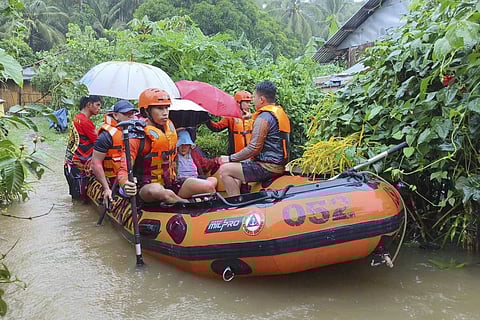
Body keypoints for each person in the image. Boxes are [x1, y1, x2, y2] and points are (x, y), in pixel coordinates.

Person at [119, 88, 216, 203]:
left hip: (171, 183)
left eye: (166, 107)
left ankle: (183, 202)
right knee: (158, 191)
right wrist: (125, 183)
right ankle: (186, 204)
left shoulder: (169, 129)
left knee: (208, 186)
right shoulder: (137, 137)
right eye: (160, 108)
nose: (165, 112)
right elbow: (123, 169)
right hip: (146, 188)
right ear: (146, 112)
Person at [218, 81, 291, 196]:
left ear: (262, 99)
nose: (252, 101)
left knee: (224, 170)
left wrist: (230, 158)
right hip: (277, 164)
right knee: (240, 163)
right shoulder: (278, 112)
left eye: (254, 97)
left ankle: (237, 205)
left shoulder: (263, 118)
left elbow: (253, 148)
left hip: (267, 167)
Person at [91, 100, 137, 205]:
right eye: (126, 113)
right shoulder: (106, 136)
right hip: (113, 180)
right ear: (115, 115)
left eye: (132, 113)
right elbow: (96, 163)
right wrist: (106, 188)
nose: (130, 116)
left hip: (129, 177)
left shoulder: (136, 132)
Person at [64, 95, 102, 199]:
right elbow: (99, 142)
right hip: (79, 164)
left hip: (70, 162)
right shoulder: (86, 122)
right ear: (89, 104)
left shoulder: (77, 117)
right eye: (97, 105)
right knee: (81, 198)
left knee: (76, 198)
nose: (99, 108)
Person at [206, 90, 254, 154]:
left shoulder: (253, 117)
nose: (249, 105)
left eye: (249, 102)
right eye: (247, 102)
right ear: (238, 103)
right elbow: (217, 127)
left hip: (250, 155)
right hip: (235, 154)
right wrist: (207, 120)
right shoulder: (230, 118)